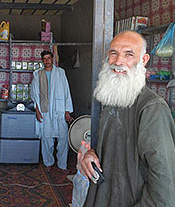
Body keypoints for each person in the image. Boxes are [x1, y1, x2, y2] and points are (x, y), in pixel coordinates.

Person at [80, 31, 175, 206]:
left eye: (128, 54)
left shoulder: (151, 108)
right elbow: (112, 148)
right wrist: (91, 154)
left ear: (144, 60)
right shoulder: (111, 99)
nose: (118, 62)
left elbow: (165, 183)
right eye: (113, 53)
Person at [30, 50, 73, 173]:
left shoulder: (60, 73)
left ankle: (62, 164)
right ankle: (48, 162)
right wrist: (37, 111)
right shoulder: (38, 74)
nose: (47, 61)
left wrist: (67, 111)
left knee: (63, 138)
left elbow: (66, 92)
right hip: (45, 110)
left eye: (49, 58)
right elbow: (34, 95)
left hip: (59, 110)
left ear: (53, 59)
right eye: (44, 59)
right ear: (42, 61)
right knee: (46, 138)